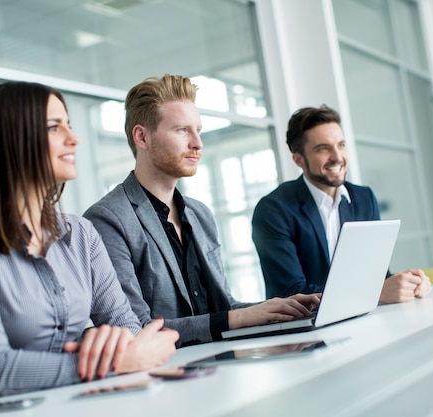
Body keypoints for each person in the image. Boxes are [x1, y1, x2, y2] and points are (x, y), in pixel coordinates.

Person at [0, 82, 178, 398]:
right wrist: (110, 363)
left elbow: (128, 330)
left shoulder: (81, 234)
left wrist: (105, 344)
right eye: (54, 127)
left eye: (69, 126)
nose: (73, 139)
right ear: (11, 140)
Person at [84, 74, 320, 347]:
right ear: (142, 137)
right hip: (165, 376)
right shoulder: (107, 219)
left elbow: (222, 308)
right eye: (182, 130)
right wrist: (241, 317)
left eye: (198, 130)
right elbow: (135, 332)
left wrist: (279, 309)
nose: (198, 143)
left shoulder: (200, 214)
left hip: (219, 363)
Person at [251, 105, 432, 303]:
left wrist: (409, 284)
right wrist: (373, 293)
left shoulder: (364, 198)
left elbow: (376, 274)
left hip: (362, 318)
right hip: (305, 328)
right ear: (299, 160)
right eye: (323, 148)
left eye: (341, 145)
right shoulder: (274, 210)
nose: (338, 157)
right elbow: (290, 291)